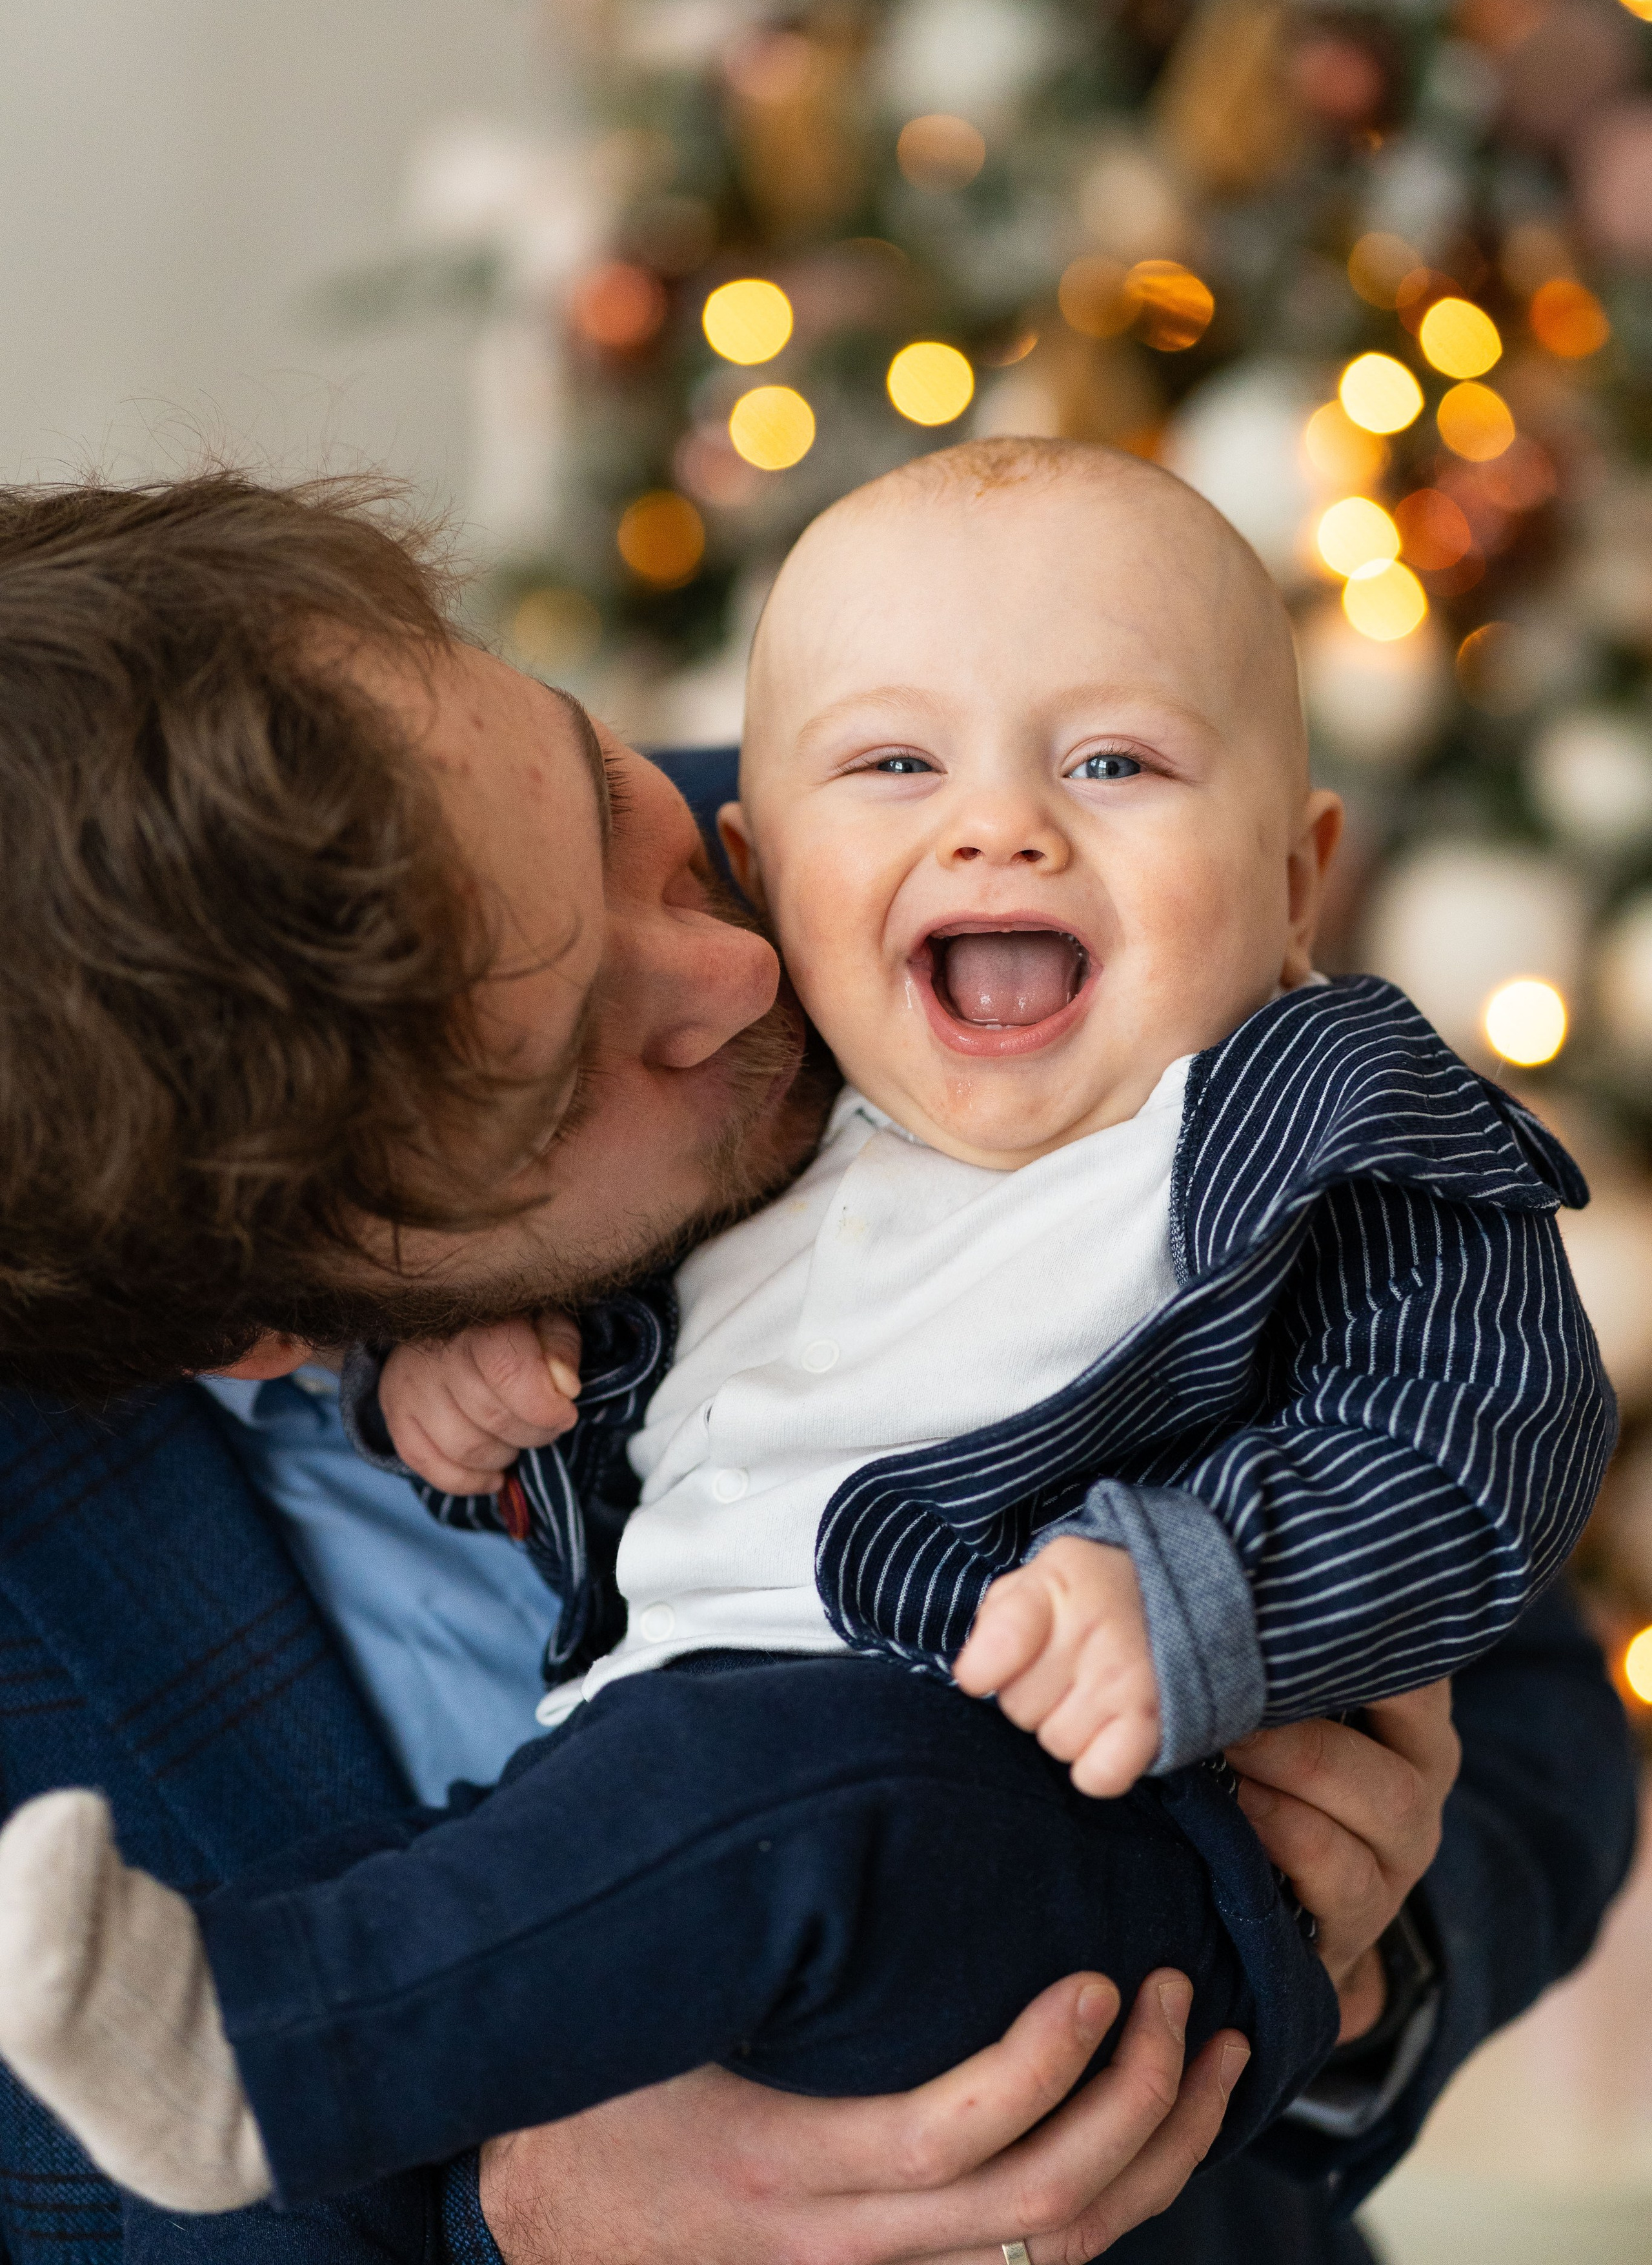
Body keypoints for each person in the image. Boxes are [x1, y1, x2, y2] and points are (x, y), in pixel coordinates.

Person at [0, 472, 1634, 2265]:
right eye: (568, 1080)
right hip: (669, 1801)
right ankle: (268, 2032)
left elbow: (1528, 1671)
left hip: (1033, 1880)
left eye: (606, 793)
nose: (732, 952)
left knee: (809, 1790)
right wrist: (504, 2228)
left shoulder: (938, 844)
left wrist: (1357, 1971)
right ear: (272, 1320)